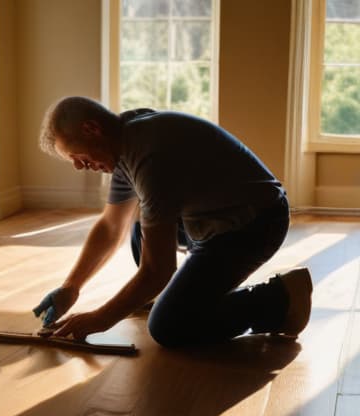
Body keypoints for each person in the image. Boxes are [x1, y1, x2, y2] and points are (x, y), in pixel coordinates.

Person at [33, 96, 313, 347]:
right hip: (217, 216)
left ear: (91, 129)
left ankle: (280, 299)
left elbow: (158, 270)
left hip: (254, 225)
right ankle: (182, 297)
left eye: (76, 156)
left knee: (169, 326)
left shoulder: (149, 156)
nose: (79, 166)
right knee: (141, 229)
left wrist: (100, 318)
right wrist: (71, 287)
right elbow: (110, 226)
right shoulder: (125, 138)